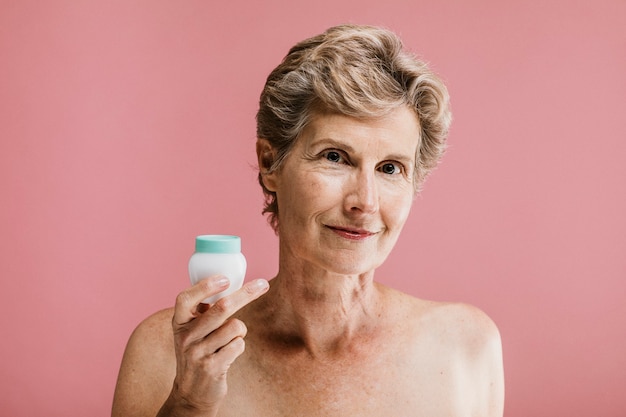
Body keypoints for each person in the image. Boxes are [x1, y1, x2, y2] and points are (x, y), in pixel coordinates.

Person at [112, 24, 504, 417]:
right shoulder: (168, 355)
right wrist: (188, 404)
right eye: (335, 156)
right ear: (270, 164)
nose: (364, 203)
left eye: (390, 168)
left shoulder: (465, 348)